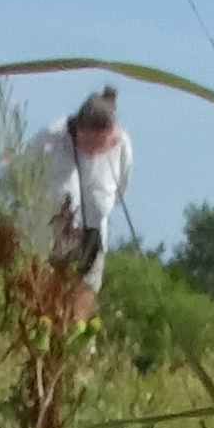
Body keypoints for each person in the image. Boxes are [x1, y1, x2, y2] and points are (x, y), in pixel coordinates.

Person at [49, 84, 130, 286]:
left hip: (93, 242)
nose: (95, 152)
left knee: (84, 305)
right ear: (79, 130)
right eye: (90, 145)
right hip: (52, 237)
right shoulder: (51, 140)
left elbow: (121, 190)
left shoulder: (121, 144)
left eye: (101, 145)